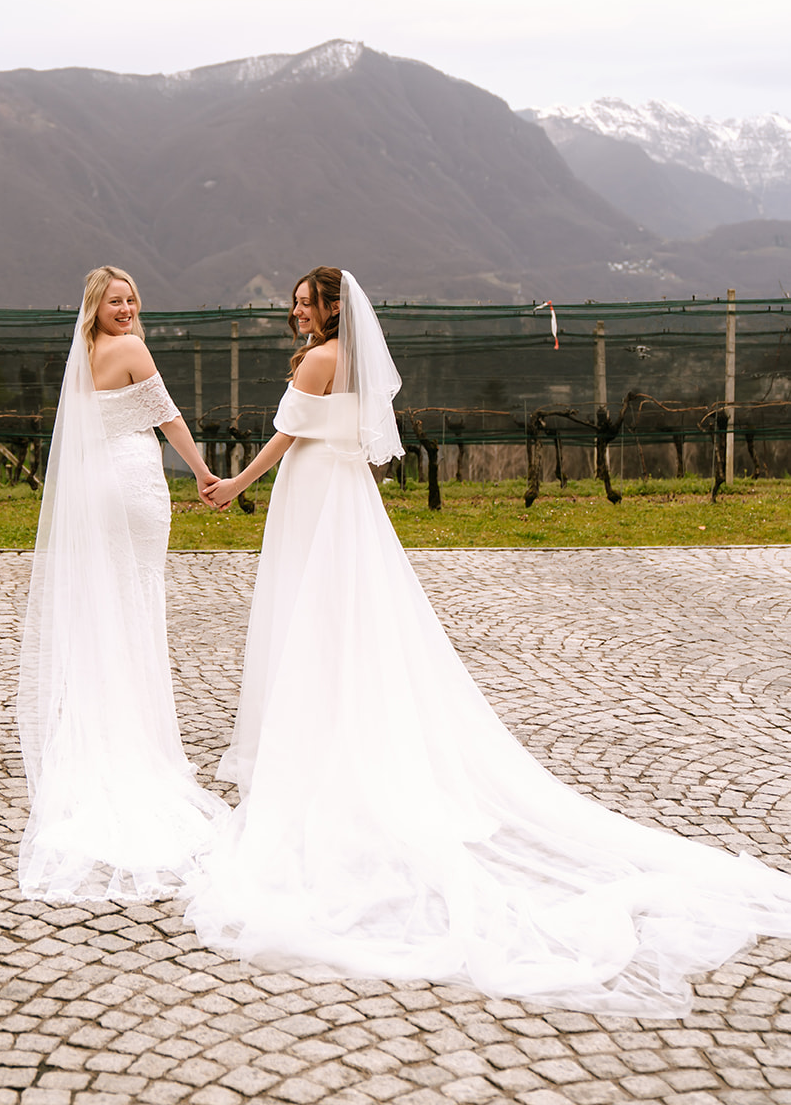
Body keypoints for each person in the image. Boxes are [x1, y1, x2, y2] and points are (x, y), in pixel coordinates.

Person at [189, 266, 791, 1014]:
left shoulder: (316, 361)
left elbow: (284, 437)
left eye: (304, 302)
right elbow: (373, 447)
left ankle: (317, 745)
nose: (296, 312)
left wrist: (234, 485)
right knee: (353, 616)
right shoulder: (358, 362)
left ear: (327, 309)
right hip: (348, 496)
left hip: (311, 492)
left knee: (309, 615)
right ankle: (346, 729)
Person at [17, 266, 228, 902]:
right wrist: (203, 474)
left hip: (96, 489)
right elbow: (168, 419)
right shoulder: (132, 351)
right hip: (135, 487)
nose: (128, 308)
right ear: (96, 305)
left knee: (108, 609)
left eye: (132, 298)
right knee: (138, 607)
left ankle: (107, 731)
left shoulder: (82, 354)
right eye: (117, 301)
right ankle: (140, 746)